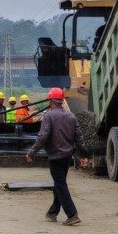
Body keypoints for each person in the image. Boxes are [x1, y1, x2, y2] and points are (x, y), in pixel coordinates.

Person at [25, 87, 89, 226]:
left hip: (55, 156)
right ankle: (53, 212)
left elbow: (43, 137)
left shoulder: (49, 116)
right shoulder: (71, 116)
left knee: (60, 185)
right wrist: (83, 154)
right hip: (67, 157)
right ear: (61, 100)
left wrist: (31, 152)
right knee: (59, 183)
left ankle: (72, 214)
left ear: (50, 100)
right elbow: (79, 137)